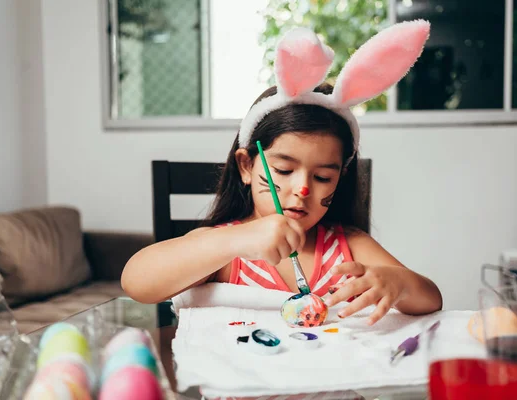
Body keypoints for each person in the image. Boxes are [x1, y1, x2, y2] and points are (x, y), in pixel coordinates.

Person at [122, 20, 442, 325]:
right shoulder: (226, 250)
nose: (303, 188)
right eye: (284, 169)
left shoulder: (348, 247)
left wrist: (398, 283)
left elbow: (431, 299)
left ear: (341, 177)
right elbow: (136, 282)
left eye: (322, 177)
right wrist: (234, 240)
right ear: (247, 166)